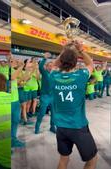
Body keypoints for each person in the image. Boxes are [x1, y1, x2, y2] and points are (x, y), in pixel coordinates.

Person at [50, 41, 97, 169]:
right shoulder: (80, 76)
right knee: (92, 159)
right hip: (78, 126)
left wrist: (64, 50)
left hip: (60, 127)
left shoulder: (53, 75)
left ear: (62, 61)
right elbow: (90, 64)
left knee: (64, 159)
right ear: (76, 62)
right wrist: (81, 50)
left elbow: (54, 65)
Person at [35, 52, 56, 134]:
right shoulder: (44, 73)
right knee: (42, 113)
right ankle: (37, 127)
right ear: (46, 67)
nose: (51, 67)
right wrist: (44, 58)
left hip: (52, 97)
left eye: (52, 66)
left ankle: (52, 127)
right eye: (49, 66)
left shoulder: (54, 74)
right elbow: (40, 66)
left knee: (54, 114)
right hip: (44, 96)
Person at [10, 57, 26, 148]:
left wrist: (26, 69)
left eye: (17, 60)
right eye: (15, 61)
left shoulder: (15, 71)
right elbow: (12, 77)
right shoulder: (9, 71)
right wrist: (21, 66)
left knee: (15, 121)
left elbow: (20, 81)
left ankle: (13, 139)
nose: (17, 62)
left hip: (16, 100)